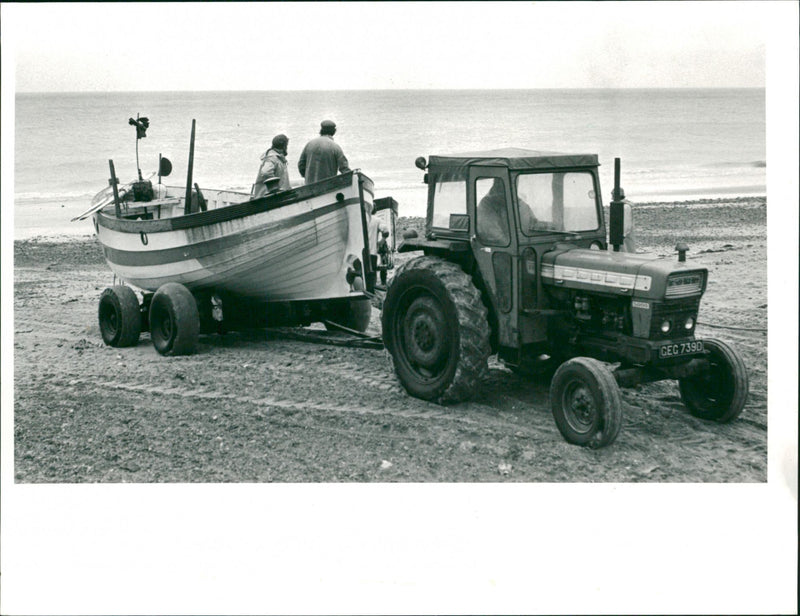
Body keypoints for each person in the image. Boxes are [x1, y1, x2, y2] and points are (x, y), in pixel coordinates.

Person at [297, 120, 350, 185]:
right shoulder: (335, 147)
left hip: (309, 186)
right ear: (334, 131)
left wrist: (307, 177)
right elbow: (344, 168)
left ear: (321, 130)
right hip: (327, 186)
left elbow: (301, 165)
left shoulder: (309, 144)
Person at [252, 134, 290, 198]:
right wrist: (274, 187)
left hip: (271, 197)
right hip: (267, 198)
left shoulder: (278, 157)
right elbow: (265, 172)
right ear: (284, 146)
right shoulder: (272, 158)